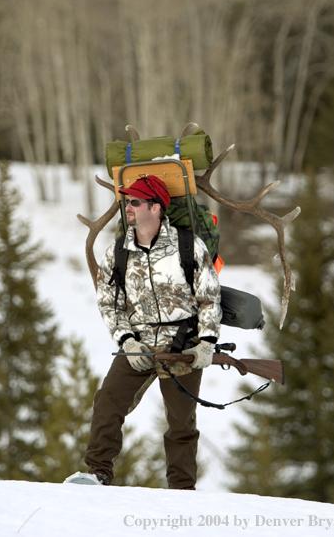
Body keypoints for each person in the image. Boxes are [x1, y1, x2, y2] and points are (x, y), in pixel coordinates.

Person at [84, 175, 222, 489]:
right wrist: (126, 341)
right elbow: (108, 303)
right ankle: (96, 474)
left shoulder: (188, 245)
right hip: (138, 345)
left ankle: (182, 489)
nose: (127, 207)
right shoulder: (117, 251)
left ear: (156, 208)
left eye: (134, 202)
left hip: (182, 345)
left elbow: (209, 297)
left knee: (180, 423)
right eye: (127, 201)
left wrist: (206, 343)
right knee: (107, 403)